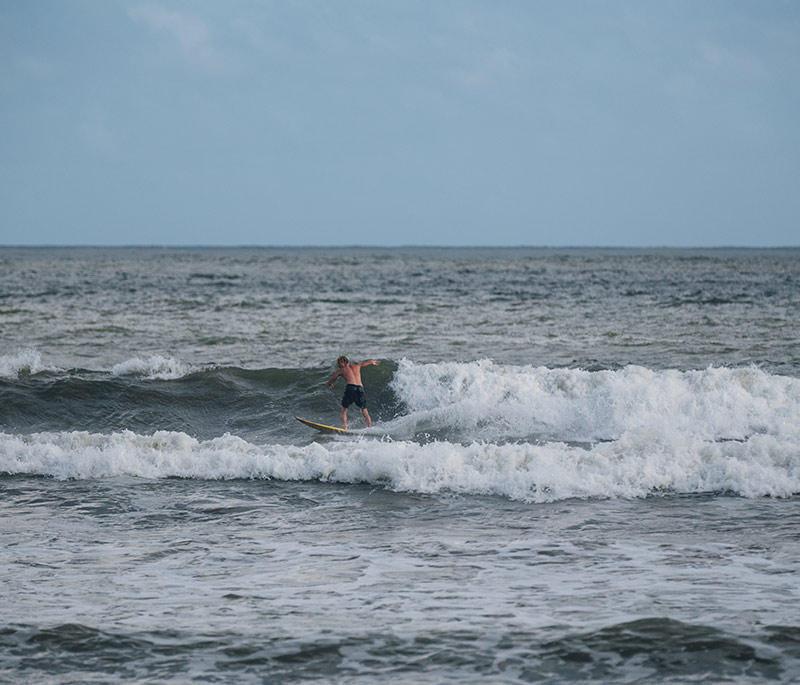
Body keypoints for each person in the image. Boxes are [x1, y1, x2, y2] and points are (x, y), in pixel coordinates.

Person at [327, 356, 380, 429]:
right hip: (360, 388)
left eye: (340, 363)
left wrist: (330, 384)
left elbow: (332, 379)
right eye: (338, 363)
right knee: (365, 410)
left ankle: (345, 428)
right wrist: (373, 362)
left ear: (345, 363)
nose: (338, 365)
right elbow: (368, 362)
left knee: (344, 409)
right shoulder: (357, 366)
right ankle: (370, 428)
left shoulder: (341, 370)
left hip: (351, 388)